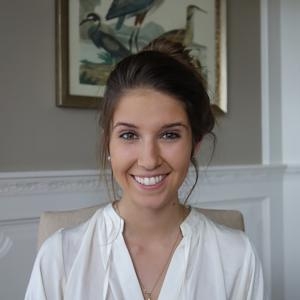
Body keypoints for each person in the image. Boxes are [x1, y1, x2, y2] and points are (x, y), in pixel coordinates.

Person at [25, 37, 264, 300]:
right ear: (108, 144)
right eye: (129, 135)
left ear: (195, 144)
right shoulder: (60, 256)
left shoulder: (237, 256)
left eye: (169, 135)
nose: (149, 160)